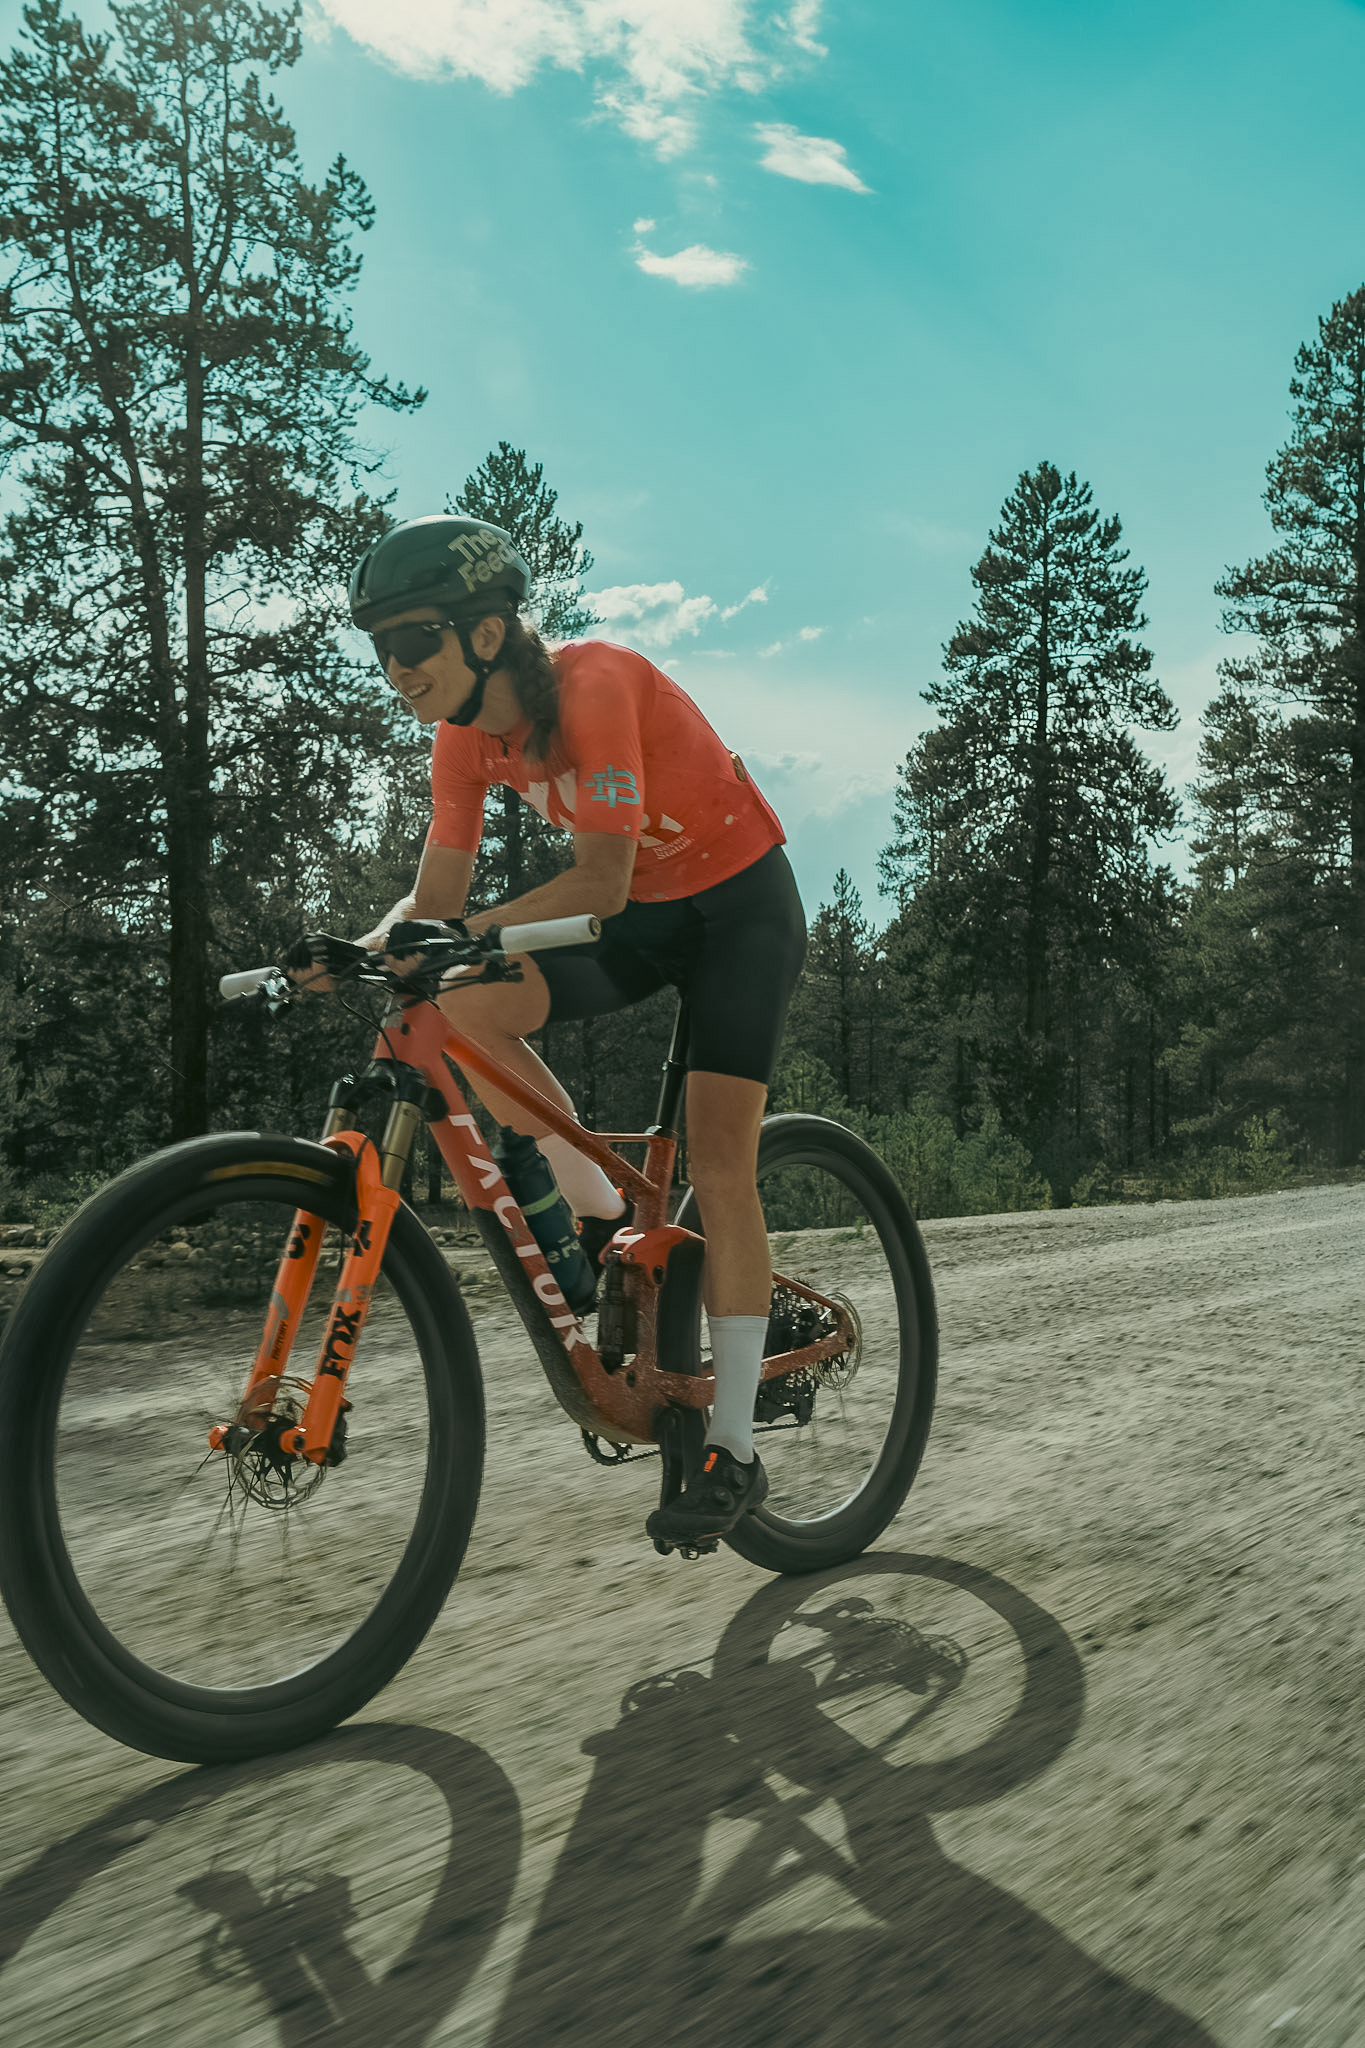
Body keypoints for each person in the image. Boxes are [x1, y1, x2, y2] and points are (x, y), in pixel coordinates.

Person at [347, 515, 806, 1546]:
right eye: (380, 647)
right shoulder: (460, 740)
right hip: (646, 916)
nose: (396, 666)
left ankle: (734, 1447)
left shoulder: (592, 684)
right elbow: (433, 903)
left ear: (487, 632)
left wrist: (455, 933)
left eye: (414, 638)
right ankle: (602, 1227)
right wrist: (361, 945)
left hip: (740, 909)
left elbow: (596, 880)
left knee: (718, 1160)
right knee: (461, 1002)